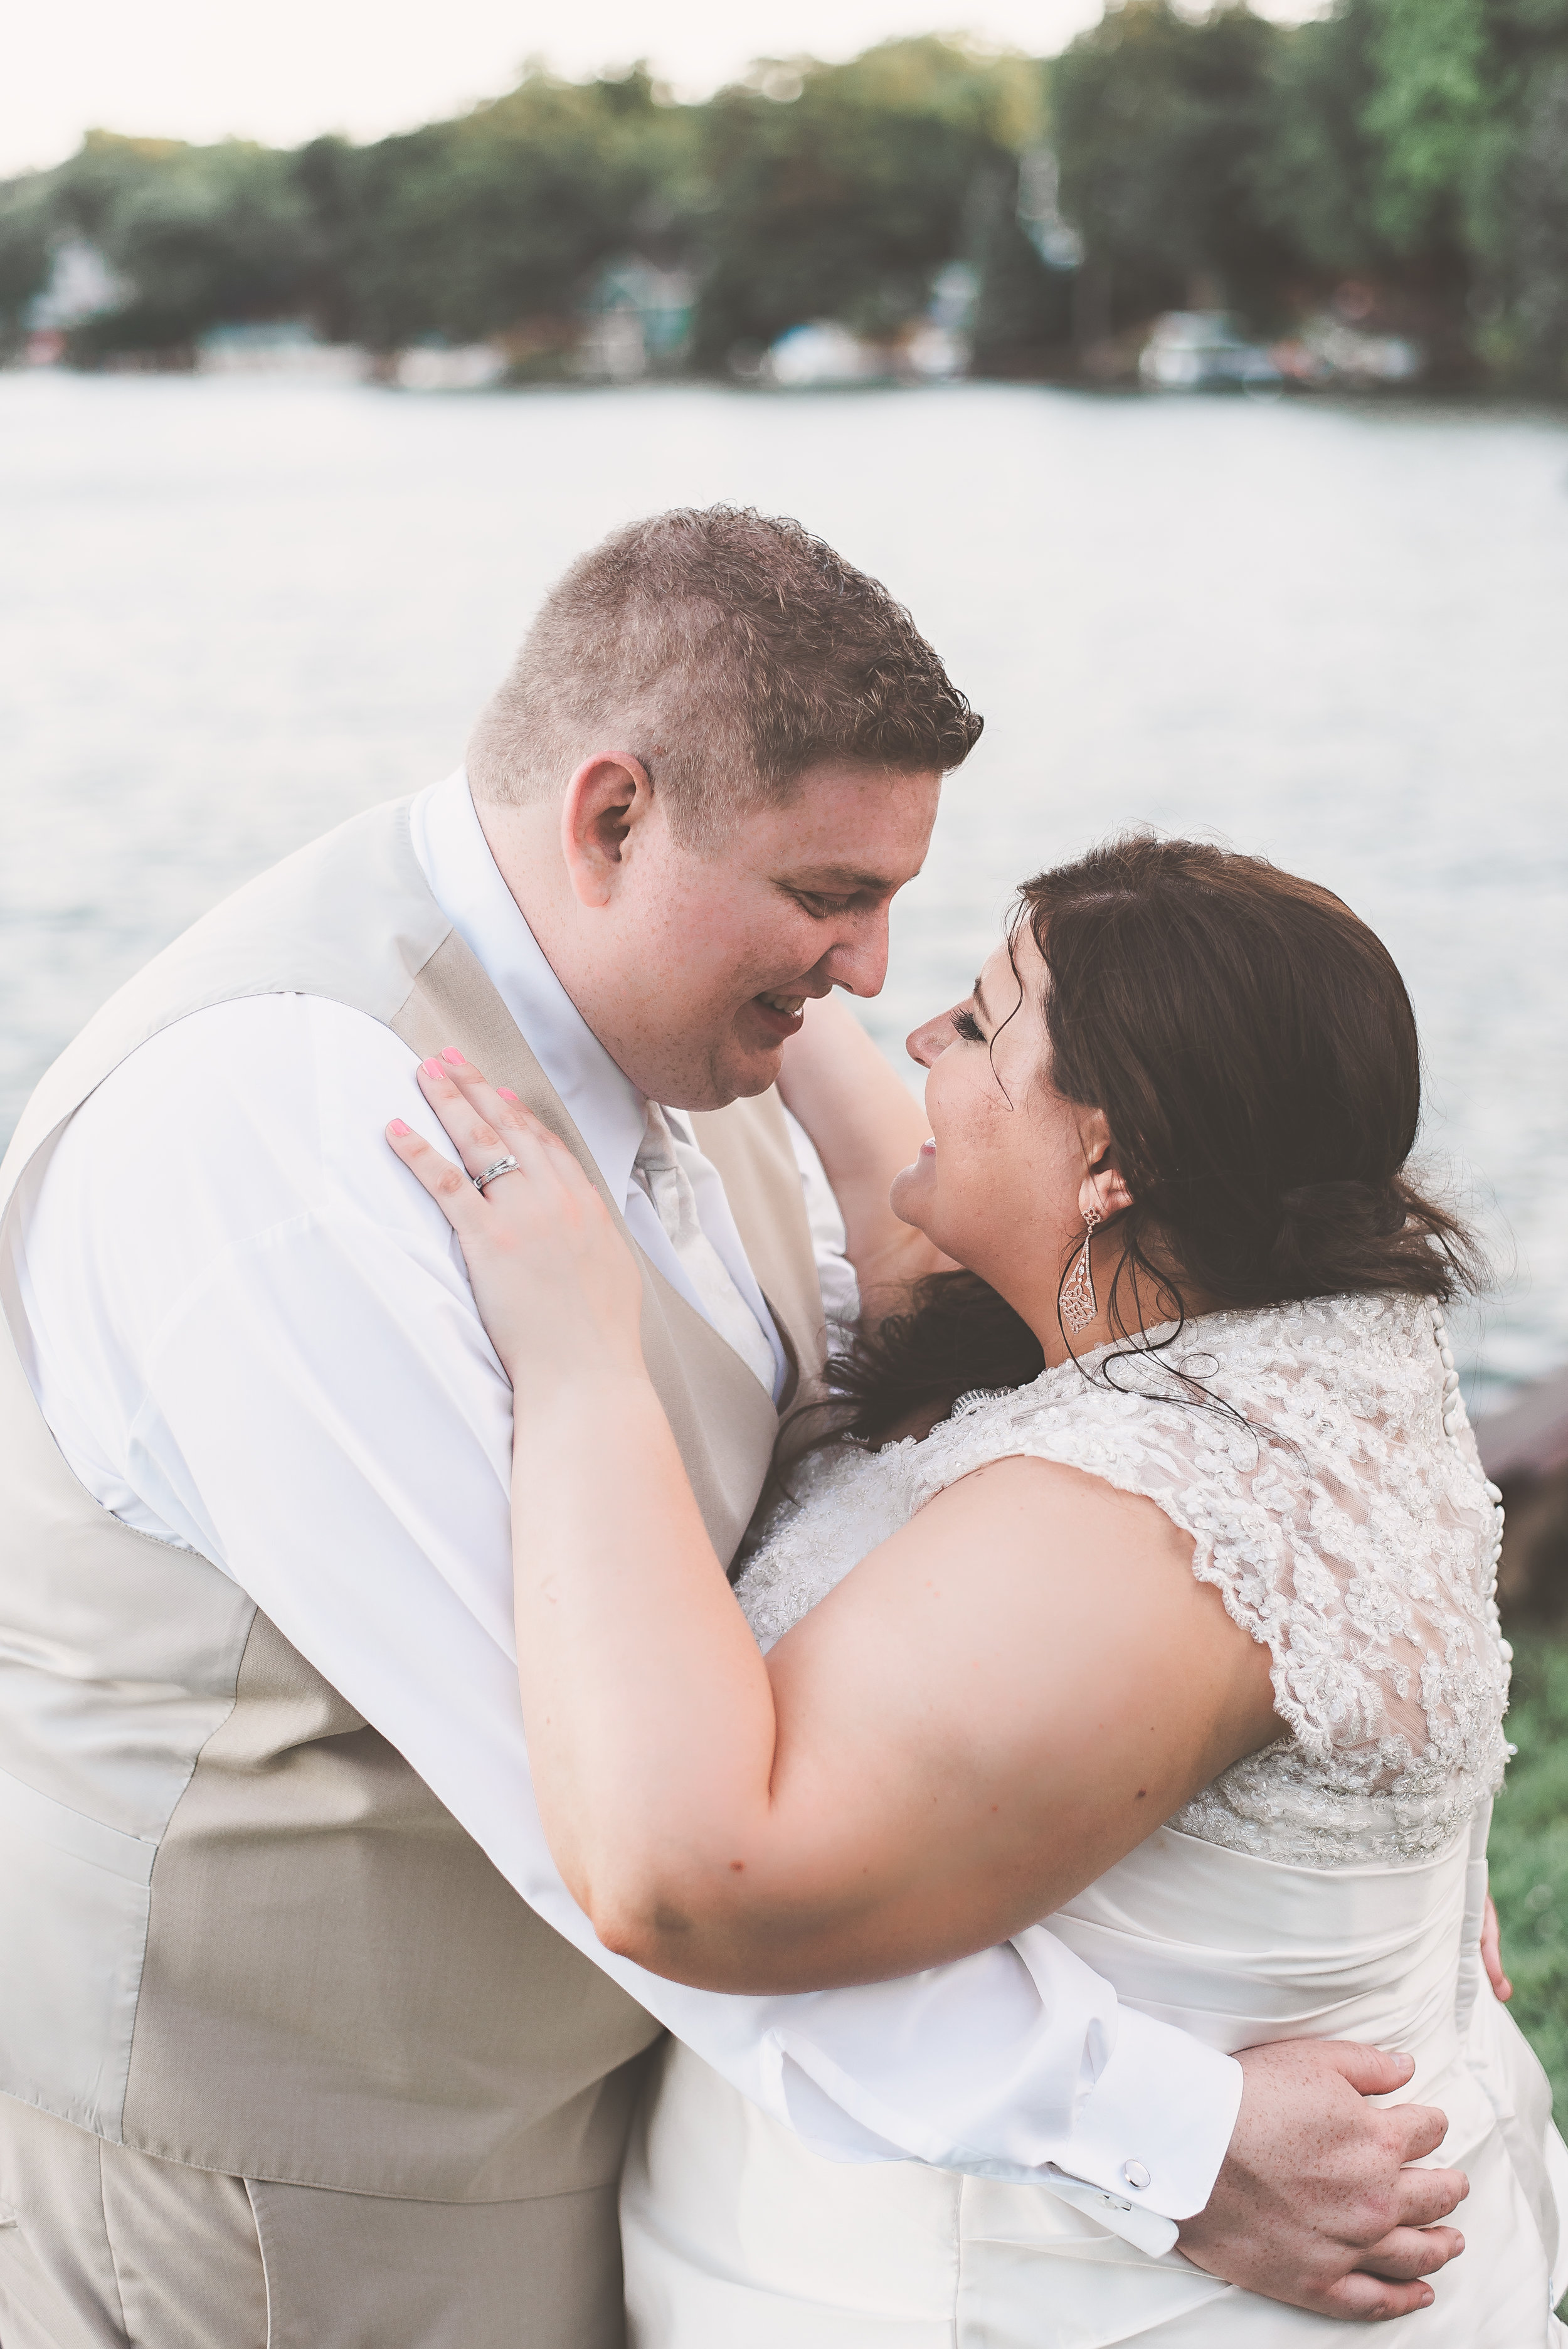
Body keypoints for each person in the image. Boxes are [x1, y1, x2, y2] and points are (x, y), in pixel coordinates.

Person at [0, 509, 1463, 2348]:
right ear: (609, 818)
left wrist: (1365, 1877)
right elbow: (601, 1809)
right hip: (308, 2200)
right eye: (828, 893)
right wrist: (1168, 2135)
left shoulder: (689, 1023)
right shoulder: (297, 1143)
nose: (866, 973)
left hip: (642, 2148)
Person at [389, 832, 1568, 2345]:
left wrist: (576, 1354)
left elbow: (684, 1878)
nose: (918, 1032)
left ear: (1107, 1160)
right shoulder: (1290, 1343)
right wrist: (748, 953)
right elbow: (913, 1218)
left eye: (979, 1015)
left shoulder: (1137, 1521)